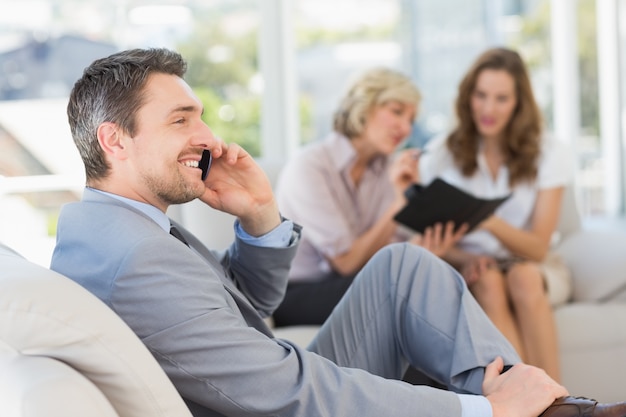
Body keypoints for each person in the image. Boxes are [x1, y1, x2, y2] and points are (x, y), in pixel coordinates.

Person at [50, 47, 625, 417]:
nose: (209, 137)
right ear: (114, 141)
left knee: (405, 267)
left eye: (200, 115)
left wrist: (259, 216)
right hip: (269, 404)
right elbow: (282, 391)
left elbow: (246, 306)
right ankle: (538, 411)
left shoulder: (125, 229)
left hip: (257, 389)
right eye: (181, 119)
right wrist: (478, 412)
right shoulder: (134, 255)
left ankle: (541, 407)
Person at [418, 47, 572, 382]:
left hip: (535, 264)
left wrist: (484, 217)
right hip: (475, 267)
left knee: (523, 276)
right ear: (467, 96)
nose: (488, 109)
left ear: (518, 102)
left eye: (501, 98)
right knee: (488, 281)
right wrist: (462, 259)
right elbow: (431, 238)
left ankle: (558, 402)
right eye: (481, 95)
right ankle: (528, 403)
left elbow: (537, 249)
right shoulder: (440, 155)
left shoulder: (548, 150)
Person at [273, 68, 466, 327]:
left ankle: (481, 367)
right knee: (401, 284)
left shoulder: (386, 170)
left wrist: (424, 250)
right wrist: (400, 204)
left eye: (411, 119)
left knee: (430, 281)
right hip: (297, 293)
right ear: (363, 107)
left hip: (352, 284)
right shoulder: (310, 166)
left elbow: (387, 252)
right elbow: (346, 262)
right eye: (397, 112)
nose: (405, 128)